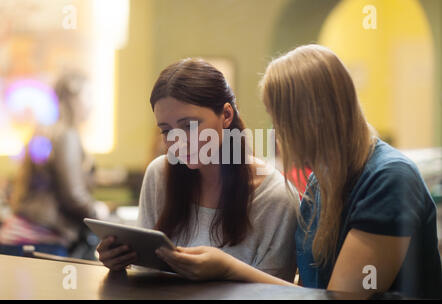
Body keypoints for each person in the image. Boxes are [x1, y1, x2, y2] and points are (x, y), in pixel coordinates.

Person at [155, 45, 442, 299]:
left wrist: (229, 267)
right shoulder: (321, 184)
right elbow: (310, 289)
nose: (276, 134)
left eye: (280, 120)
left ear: (311, 118)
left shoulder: (389, 180)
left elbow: (341, 298)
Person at [96, 58, 299, 282]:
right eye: (166, 130)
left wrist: (226, 269)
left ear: (227, 115)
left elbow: (279, 294)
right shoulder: (159, 175)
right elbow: (145, 274)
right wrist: (120, 260)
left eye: (190, 126)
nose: (178, 142)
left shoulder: (276, 198)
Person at [0, 71, 100, 257]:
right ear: (73, 97)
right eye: (88, 96)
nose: (92, 105)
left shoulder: (45, 130)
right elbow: (74, 196)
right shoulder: (66, 135)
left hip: (17, 237)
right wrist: (101, 216)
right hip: (42, 240)